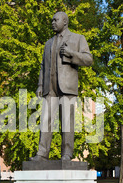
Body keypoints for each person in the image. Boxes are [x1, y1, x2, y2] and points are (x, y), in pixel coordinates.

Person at [30, 11, 93, 162]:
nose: (52, 22)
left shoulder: (78, 38)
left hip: (67, 87)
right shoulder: (48, 43)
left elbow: (89, 59)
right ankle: (42, 153)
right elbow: (43, 66)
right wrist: (40, 84)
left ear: (65, 21)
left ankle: (67, 154)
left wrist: (72, 54)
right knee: (46, 120)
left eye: (55, 20)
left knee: (67, 121)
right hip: (49, 87)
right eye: (52, 20)